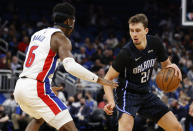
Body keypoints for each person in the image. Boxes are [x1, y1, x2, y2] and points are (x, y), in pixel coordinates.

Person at [13, 2, 117, 131]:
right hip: (36, 88)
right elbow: (70, 67)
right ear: (69, 21)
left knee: (38, 119)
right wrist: (99, 80)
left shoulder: (37, 34)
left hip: (20, 87)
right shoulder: (60, 38)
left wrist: (47, 85)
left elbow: (36, 65)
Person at [103, 13, 183, 131]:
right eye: (131, 30)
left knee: (176, 128)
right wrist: (111, 101)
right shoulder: (126, 53)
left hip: (145, 92)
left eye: (137, 30)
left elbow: (166, 66)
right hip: (127, 94)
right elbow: (107, 78)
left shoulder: (155, 43)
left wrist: (172, 66)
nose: (134, 34)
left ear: (146, 30)